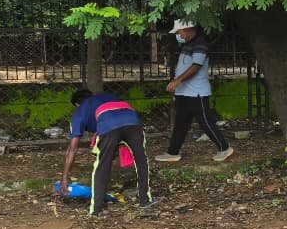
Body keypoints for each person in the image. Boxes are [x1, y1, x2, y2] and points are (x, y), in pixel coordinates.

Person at [59, 89, 155, 215]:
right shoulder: (108, 96)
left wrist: (64, 177)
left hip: (108, 124)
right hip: (132, 120)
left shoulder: (79, 112)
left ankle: (95, 210)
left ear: (77, 104)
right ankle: (145, 200)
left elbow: (72, 148)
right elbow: (119, 121)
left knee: (102, 165)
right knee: (141, 160)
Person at [157, 20, 233, 162]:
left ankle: (224, 148)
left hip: (197, 92)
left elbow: (196, 66)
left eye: (179, 32)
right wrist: (178, 83)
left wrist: (177, 81)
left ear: (187, 29)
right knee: (181, 123)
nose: (178, 35)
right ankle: (173, 152)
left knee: (205, 121)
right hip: (184, 92)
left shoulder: (200, 44)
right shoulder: (188, 44)